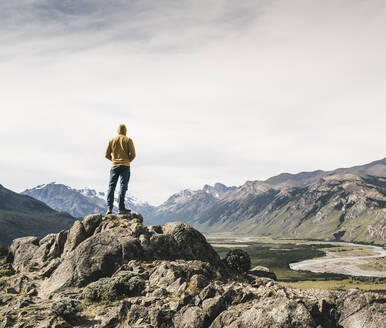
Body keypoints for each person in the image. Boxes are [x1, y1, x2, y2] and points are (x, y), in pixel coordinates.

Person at [105, 124, 136, 215]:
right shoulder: (128, 140)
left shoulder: (112, 140)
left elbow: (106, 155)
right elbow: (133, 154)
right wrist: (127, 161)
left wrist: (114, 161)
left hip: (114, 166)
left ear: (117, 130)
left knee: (111, 186)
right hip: (125, 166)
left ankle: (109, 208)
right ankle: (121, 208)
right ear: (125, 130)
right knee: (123, 186)